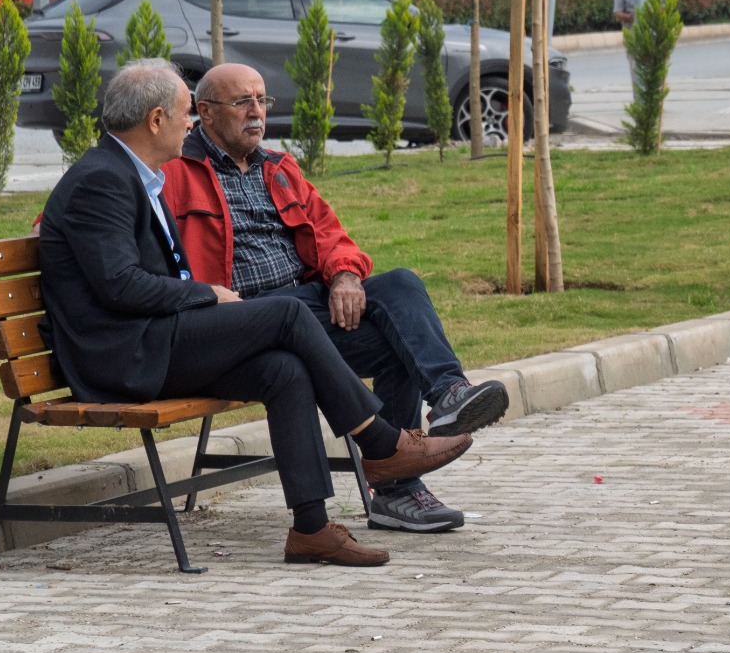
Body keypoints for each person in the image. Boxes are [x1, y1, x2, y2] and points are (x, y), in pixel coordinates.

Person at [37, 60, 470, 566]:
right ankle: (379, 443)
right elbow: (119, 284)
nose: (189, 125)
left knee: (283, 370)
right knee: (286, 315)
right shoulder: (102, 180)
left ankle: (311, 528)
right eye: (184, 114)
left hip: (155, 339)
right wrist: (207, 295)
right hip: (125, 357)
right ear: (155, 120)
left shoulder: (132, 175)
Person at [167, 62, 509, 535]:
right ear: (205, 112)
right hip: (242, 321)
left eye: (262, 100)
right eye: (242, 102)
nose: (256, 112)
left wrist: (345, 276)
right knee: (394, 340)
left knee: (400, 288)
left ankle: (447, 396)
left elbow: (330, 234)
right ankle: (398, 485)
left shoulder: (278, 168)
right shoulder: (174, 172)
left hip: (304, 307)